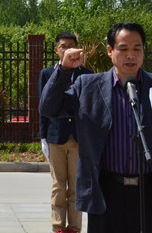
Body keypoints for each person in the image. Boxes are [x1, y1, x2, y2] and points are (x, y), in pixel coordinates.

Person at [39, 22, 152, 233]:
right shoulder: (88, 87)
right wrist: (63, 70)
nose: (131, 55)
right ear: (110, 51)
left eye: (137, 48)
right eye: (123, 48)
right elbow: (49, 108)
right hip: (106, 192)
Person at [39, 31, 93, 233]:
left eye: (71, 46)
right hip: (56, 136)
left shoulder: (86, 74)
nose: (68, 49)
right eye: (63, 46)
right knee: (58, 185)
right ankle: (58, 226)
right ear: (57, 50)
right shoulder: (47, 74)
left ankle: (74, 227)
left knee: (76, 186)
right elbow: (43, 108)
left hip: (78, 138)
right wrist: (43, 136)